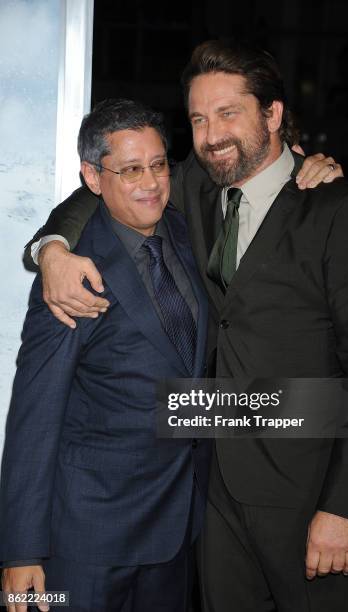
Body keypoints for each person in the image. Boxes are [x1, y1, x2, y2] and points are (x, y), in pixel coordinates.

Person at [20, 40, 348, 611]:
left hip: (308, 507)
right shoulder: (195, 188)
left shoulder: (340, 212)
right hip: (211, 506)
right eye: (198, 118)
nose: (211, 133)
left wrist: (344, 507)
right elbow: (105, 187)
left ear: (272, 115)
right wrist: (50, 247)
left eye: (228, 113)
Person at [0, 99, 212, 612]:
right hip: (85, 543)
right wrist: (21, 552)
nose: (151, 182)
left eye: (159, 165)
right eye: (131, 169)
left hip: (178, 533)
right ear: (92, 177)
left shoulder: (188, 235)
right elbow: (35, 413)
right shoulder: (71, 273)